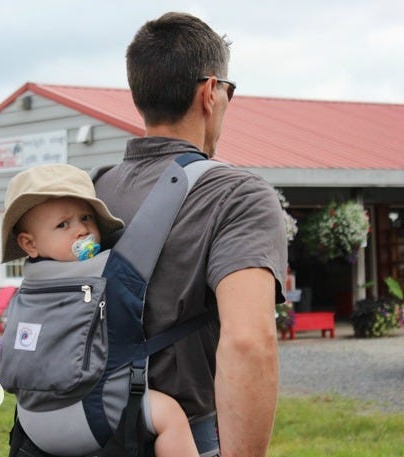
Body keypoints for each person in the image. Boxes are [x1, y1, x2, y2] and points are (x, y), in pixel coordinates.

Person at [94, 12, 288, 457]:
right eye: (228, 91)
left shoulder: (93, 191)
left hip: (84, 428)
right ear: (209, 92)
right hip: (180, 438)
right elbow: (248, 343)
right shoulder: (237, 194)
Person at [1, 163, 200, 457]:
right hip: (90, 422)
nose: (81, 230)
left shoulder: (28, 285)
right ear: (28, 243)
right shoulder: (106, 270)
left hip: (32, 421)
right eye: (63, 225)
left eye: (86, 218)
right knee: (170, 415)